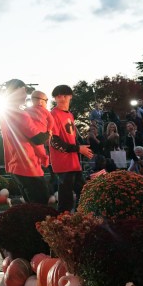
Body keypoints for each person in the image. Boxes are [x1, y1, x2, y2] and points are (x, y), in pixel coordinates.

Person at [0, 80, 51, 205]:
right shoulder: (20, 114)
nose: (25, 96)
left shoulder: (4, 113)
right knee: (41, 203)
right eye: (23, 92)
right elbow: (39, 139)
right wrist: (49, 129)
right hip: (28, 165)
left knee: (31, 205)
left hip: (15, 164)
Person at [48, 84, 91, 212]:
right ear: (55, 98)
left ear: (70, 96)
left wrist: (82, 148)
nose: (61, 98)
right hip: (62, 162)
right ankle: (61, 226)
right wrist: (78, 149)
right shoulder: (53, 115)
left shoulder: (70, 115)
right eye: (58, 96)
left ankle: (80, 219)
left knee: (83, 192)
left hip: (73, 162)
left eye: (65, 95)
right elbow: (55, 141)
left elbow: (70, 138)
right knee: (66, 200)